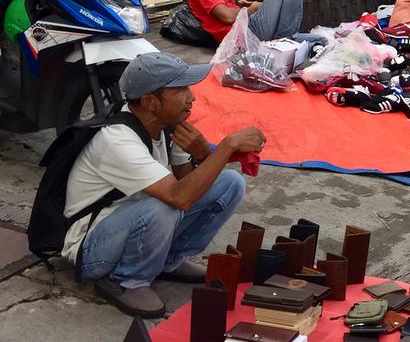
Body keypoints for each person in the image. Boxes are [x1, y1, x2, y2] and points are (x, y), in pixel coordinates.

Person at [64, 52, 264, 317]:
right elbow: (179, 197)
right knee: (164, 206)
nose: (191, 97)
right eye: (180, 90)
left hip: (137, 218)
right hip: (92, 248)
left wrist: (203, 154)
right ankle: (129, 280)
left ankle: (169, 261)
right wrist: (226, 147)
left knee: (229, 183)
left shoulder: (169, 125)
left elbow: (186, 181)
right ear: (150, 102)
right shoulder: (117, 140)